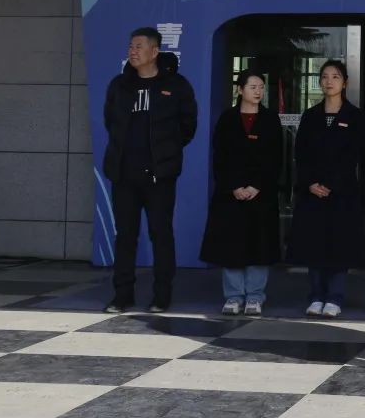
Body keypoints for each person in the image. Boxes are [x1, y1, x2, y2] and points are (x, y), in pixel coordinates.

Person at [102, 27, 197, 314]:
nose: (133, 51)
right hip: (124, 174)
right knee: (125, 236)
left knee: (161, 234)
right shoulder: (119, 85)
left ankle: (161, 295)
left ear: (154, 51)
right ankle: (122, 295)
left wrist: (166, 154)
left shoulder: (176, 85)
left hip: (159, 175)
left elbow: (188, 126)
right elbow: (110, 121)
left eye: (139, 46)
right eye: (131, 46)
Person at [199, 70, 283, 316]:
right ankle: (233, 296)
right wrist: (234, 186)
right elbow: (220, 158)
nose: (258, 91)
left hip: (261, 194)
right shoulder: (227, 119)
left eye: (261, 87)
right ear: (240, 90)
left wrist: (256, 185)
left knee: (259, 246)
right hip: (231, 194)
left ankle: (255, 296)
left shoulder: (270, 119)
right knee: (231, 245)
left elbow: (275, 158)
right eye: (253, 87)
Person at [288, 59, 365, 319]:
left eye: (335, 77)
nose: (329, 81)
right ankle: (315, 296)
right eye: (324, 76)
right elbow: (301, 154)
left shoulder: (355, 116)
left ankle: (334, 297)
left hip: (342, 193)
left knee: (339, 245)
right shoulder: (311, 116)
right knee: (314, 245)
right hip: (313, 192)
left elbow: (356, 155)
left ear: (345, 83)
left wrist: (333, 184)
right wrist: (310, 183)